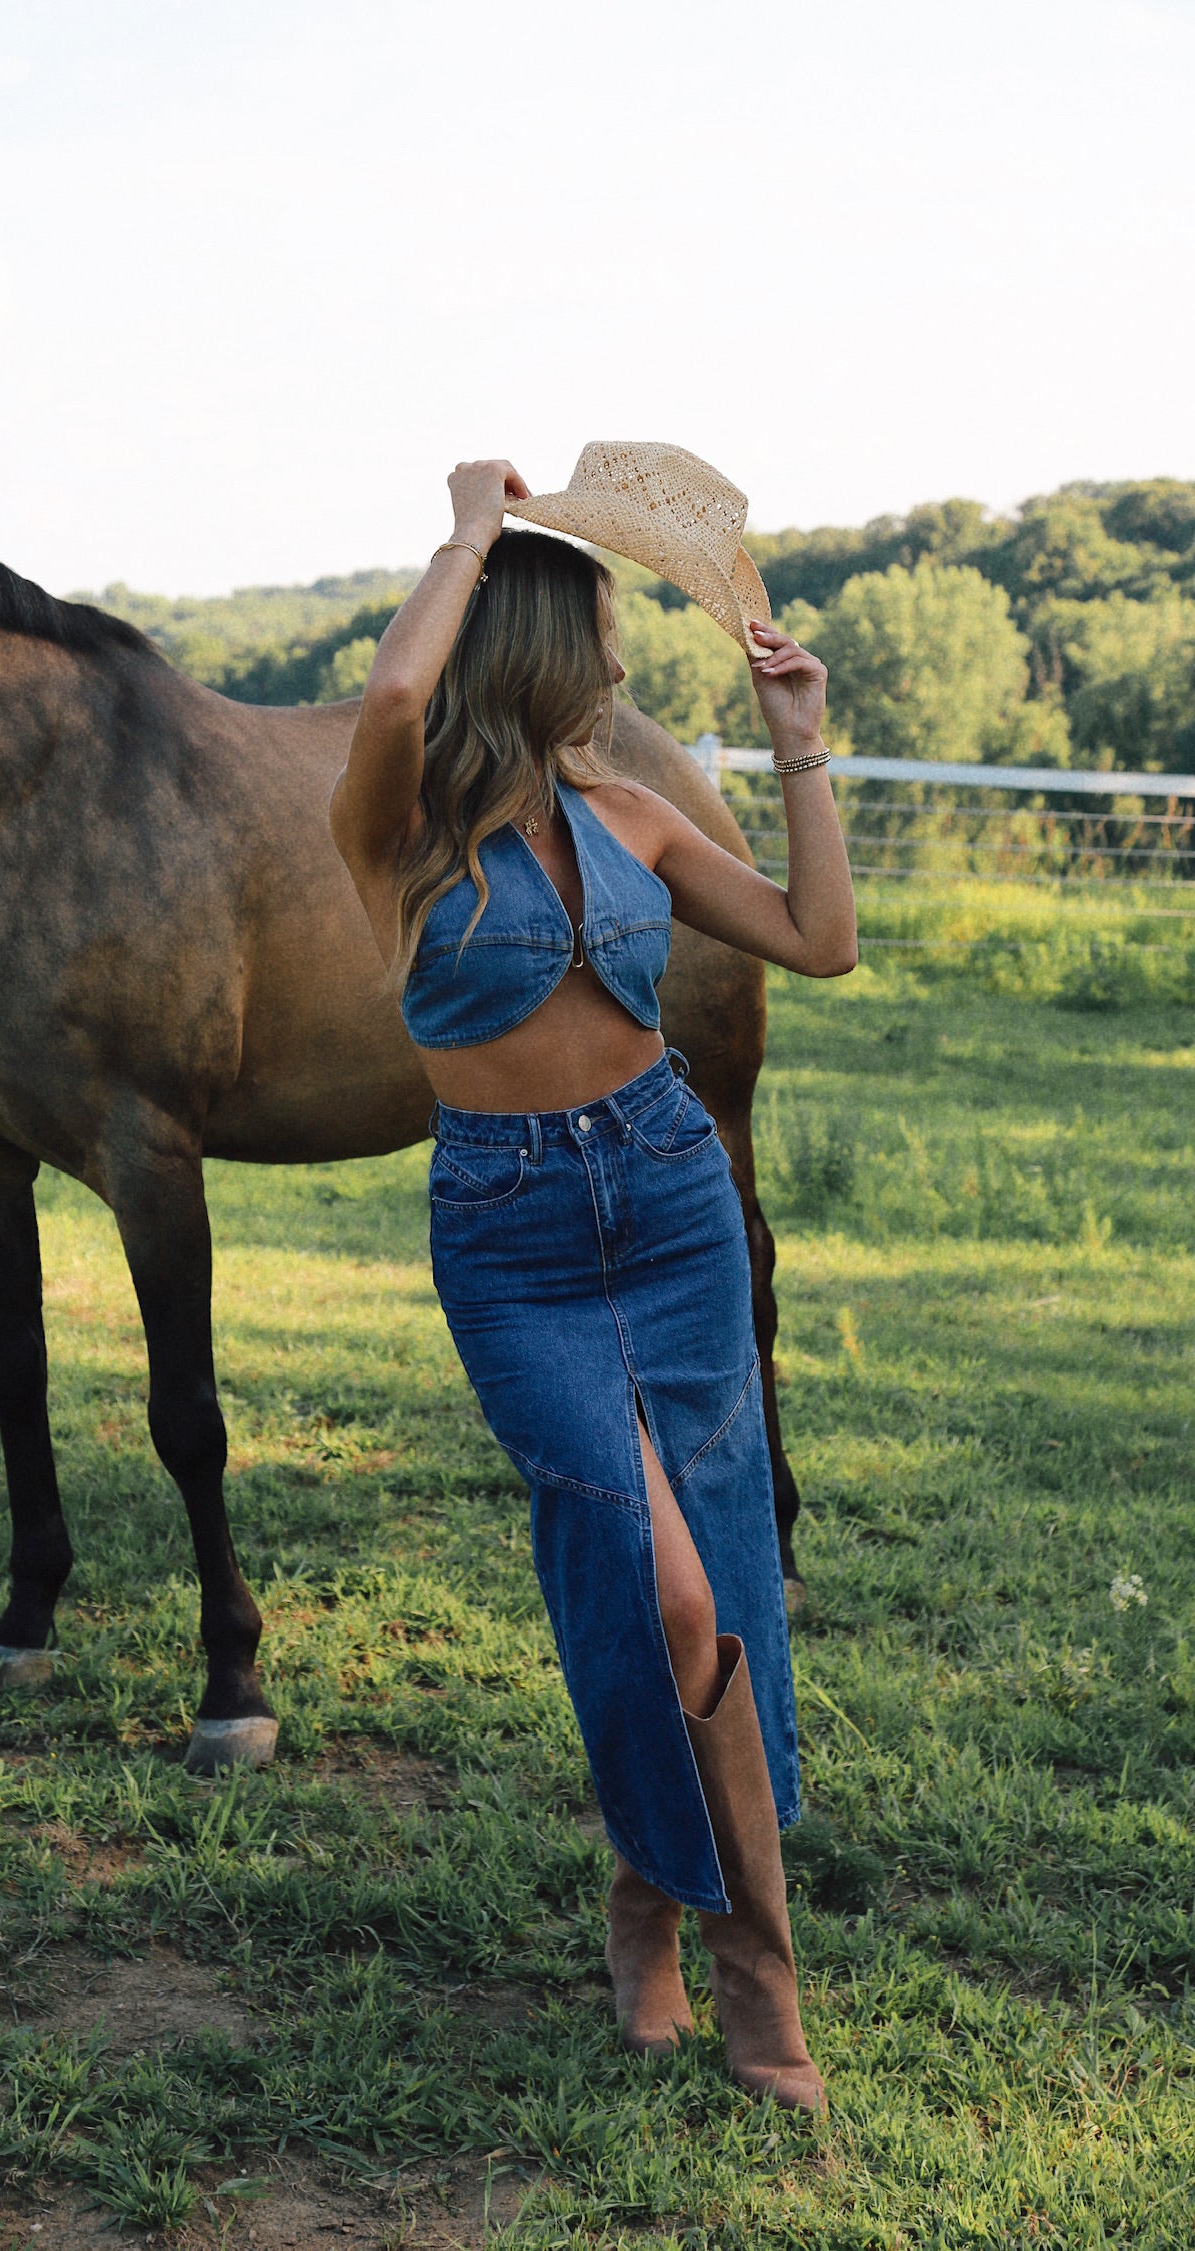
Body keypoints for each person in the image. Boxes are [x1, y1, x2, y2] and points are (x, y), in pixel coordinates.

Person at [329, 447, 856, 2113]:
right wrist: (472, 537)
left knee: (731, 1595)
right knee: (653, 1580)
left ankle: (719, 1946)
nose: (622, 671)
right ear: (537, 651)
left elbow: (820, 938)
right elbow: (401, 681)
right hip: (516, 1243)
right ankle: (673, 1899)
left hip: (670, 1197)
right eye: (604, 640)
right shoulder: (393, 831)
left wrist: (796, 751)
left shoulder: (633, 816)